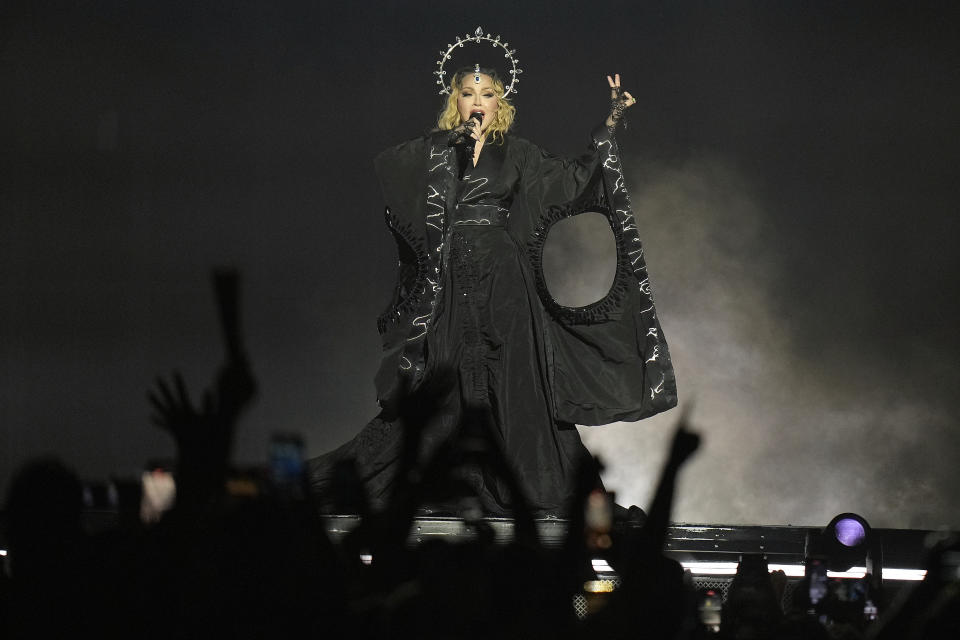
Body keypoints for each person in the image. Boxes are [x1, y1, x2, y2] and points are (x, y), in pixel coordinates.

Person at [310, 61, 677, 518]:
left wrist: (611, 122)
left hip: (504, 281)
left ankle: (523, 483)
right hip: (447, 281)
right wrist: (450, 149)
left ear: (499, 101)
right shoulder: (437, 150)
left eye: (486, 94)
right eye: (468, 93)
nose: (477, 102)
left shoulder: (517, 153)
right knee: (445, 376)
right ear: (455, 100)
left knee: (515, 379)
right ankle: (444, 479)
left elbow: (574, 178)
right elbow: (393, 170)